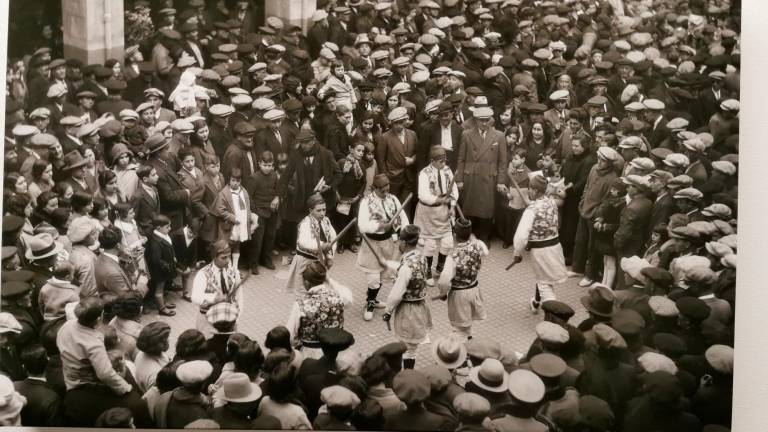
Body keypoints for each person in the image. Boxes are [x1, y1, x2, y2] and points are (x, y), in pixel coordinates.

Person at [512, 174, 568, 313]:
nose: (529, 191)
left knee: (544, 284)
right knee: (543, 276)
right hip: (555, 246)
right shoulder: (551, 202)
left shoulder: (531, 210)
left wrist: (517, 252)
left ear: (536, 191)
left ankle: (555, 316)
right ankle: (536, 303)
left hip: (541, 251)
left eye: (530, 188)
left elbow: (521, 236)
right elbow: (541, 206)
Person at [357, 174, 409, 321]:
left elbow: (403, 218)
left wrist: (405, 234)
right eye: (383, 190)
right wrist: (380, 225)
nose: (386, 193)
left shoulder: (393, 199)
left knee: (382, 276)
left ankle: (372, 298)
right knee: (373, 278)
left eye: (388, 189)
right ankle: (370, 303)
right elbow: (362, 225)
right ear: (375, 188)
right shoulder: (366, 202)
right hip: (372, 244)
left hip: (388, 243)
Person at [455, 106, 508, 243]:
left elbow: (503, 162)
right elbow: (461, 159)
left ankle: (484, 238)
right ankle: (469, 236)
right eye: (481, 120)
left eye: (487, 120)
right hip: (471, 177)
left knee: (487, 209)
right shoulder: (466, 134)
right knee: (469, 208)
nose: (484, 123)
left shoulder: (499, 136)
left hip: (489, 177)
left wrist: (501, 181)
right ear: (475, 120)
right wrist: (459, 179)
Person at [383, 224, 432, 370]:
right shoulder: (422, 257)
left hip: (408, 310)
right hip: (421, 306)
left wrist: (387, 311)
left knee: (405, 348)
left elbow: (396, 294)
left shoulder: (406, 267)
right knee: (411, 349)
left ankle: (404, 376)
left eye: (400, 241)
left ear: (404, 243)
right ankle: (408, 375)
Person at [436, 217, 488, 341]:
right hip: (474, 288)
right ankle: (470, 343)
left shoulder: (453, 256)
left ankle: (460, 356)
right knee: (467, 323)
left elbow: (444, 280)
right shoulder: (478, 246)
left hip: (459, 294)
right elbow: (486, 252)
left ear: (454, 234)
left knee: (459, 328)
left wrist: (443, 293)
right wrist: (474, 239)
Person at [414, 146, 459, 284]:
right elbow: (423, 195)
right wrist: (439, 200)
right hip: (428, 212)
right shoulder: (424, 174)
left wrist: (452, 205)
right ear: (432, 161)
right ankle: (427, 272)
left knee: (448, 242)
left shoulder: (447, 170)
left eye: (445, 160)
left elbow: (454, 190)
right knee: (430, 245)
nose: (444, 163)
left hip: (443, 212)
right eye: (440, 161)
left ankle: (440, 266)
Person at [286, 261, 348, 358]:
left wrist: (298, 345)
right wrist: (329, 280)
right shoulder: (339, 297)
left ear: (306, 282)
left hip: (309, 353)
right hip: (334, 350)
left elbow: (290, 336)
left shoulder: (301, 305)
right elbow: (348, 295)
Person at [190, 240, 246, 338]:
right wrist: (214, 299)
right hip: (208, 322)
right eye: (223, 258)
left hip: (229, 321)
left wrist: (238, 314)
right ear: (214, 257)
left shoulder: (234, 272)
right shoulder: (203, 274)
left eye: (229, 256)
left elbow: (239, 294)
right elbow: (195, 297)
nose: (228, 260)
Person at [284, 194, 338, 295]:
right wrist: (321, 245)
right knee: (303, 293)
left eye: (324, 210)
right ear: (310, 210)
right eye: (319, 210)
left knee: (318, 291)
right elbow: (303, 242)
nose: (322, 213)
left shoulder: (326, 221)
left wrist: (330, 257)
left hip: (320, 263)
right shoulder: (306, 223)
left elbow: (333, 238)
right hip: (305, 262)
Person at [211, 167, 256, 271]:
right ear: (229, 180)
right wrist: (233, 218)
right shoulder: (224, 193)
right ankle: (227, 268)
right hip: (229, 226)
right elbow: (220, 210)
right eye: (233, 180)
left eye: (238, 181)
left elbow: (247, 206)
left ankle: (235, 268)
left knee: (237, 245)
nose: (235, 183)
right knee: (226, 247)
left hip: (241, 225)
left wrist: (248, 217)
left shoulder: (243, 191)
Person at [143, 215, 177, 316]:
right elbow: (156, 259)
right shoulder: (155, 242)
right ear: (158, 228)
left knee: (162, 288)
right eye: (167, 227)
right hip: (159, 271)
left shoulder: (162, 235)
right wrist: (167, 265)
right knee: (159, 289)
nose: (170, 228)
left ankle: (162, 302)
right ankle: (162, 308)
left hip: (163, 269)